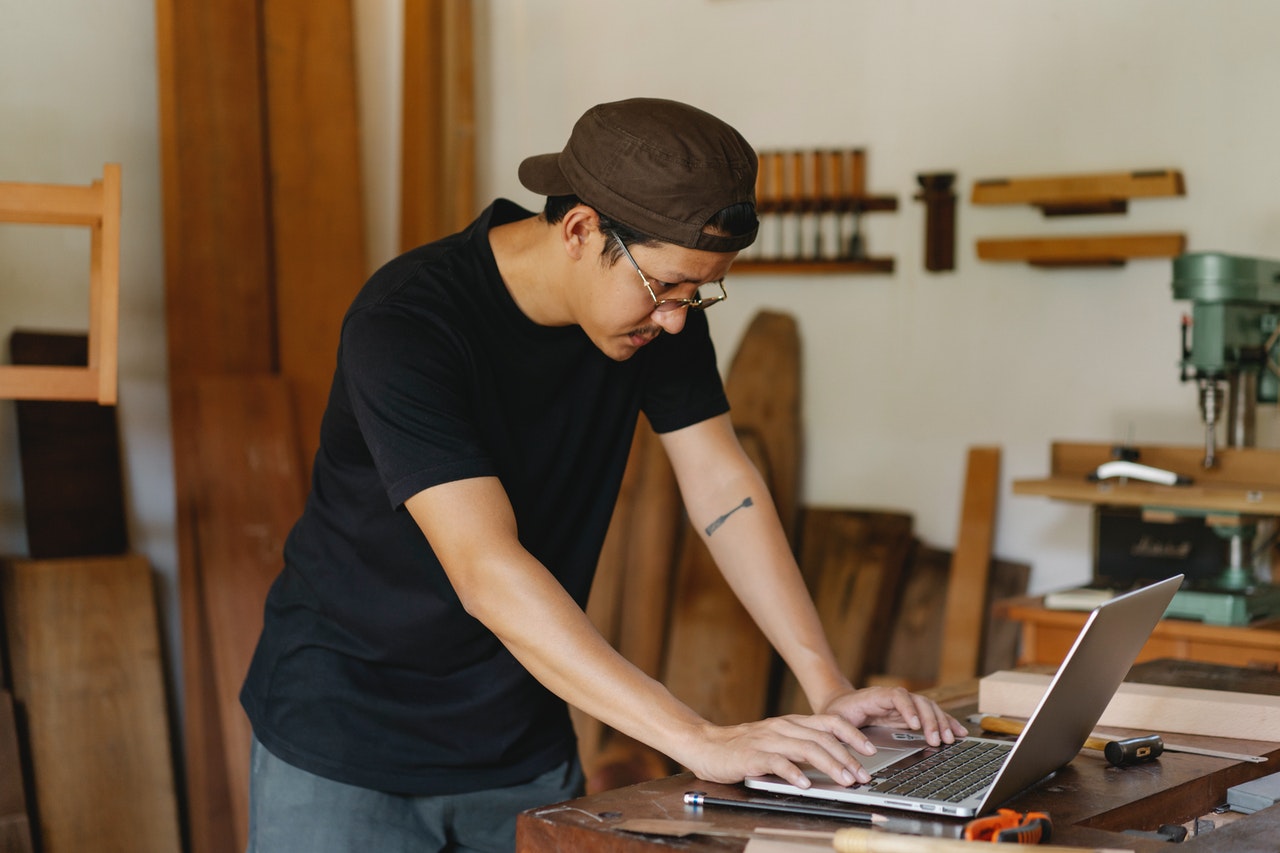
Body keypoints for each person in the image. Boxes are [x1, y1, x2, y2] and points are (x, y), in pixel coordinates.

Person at [240, 97, 967, 853]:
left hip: (517, 740)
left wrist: (829, 685)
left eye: (700, 292)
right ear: (582, 230)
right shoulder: (408, 323)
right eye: (666, 289)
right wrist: (699, 736)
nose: (679, 319)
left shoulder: (661, 314)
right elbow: (486, 569)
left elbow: (724, 487)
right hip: (346, 736)